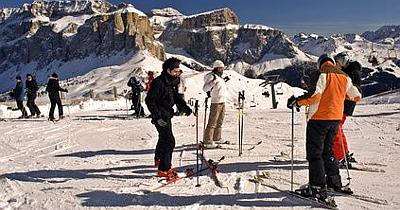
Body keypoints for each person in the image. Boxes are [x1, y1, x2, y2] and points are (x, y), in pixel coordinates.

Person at [287, 54, 361, 201]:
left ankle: (317, 188)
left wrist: (297, 102)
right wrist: (338, 98)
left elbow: (314, 96)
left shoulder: (321, 74)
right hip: (335, 120)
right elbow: (356, 96)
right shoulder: (344, 76)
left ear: (320, 64)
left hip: (319, 119)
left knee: (315, 154)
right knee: (328, 152)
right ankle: (335, 183)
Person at [145, 57, 192, 178]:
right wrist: (157, 117)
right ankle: (164, 169)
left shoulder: (170, 82)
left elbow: (176, 97)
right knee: (169, 141)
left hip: (166, 115)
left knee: (163, 138)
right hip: (160, 116)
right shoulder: (158, 83)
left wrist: (185, 107)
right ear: (168, 70)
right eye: (175, 71)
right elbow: (149, 100)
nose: (177, 74)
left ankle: (159, 159)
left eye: (179, 71)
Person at [333, 52, 362, 167]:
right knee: (337, 128)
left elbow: (350, 89)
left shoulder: (352, 73)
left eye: (338, 62)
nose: (336, 65)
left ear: (343, 62)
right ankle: (343, 154)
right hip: (344, 104)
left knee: (336, 128)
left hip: (345, 104)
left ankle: (341, 156)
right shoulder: (351, 71)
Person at [202, 60, 228, 149]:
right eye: (221, 68)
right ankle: (207, 141)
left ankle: (216, 138)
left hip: (222, 101)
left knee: (219, 121)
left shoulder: (219, 77)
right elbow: (205, 88)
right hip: (215, 102)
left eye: (223, 68)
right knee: (212, 121)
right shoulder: (212, 77)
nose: (222, 69)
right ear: (216, 68)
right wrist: (213, 83)